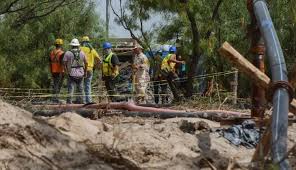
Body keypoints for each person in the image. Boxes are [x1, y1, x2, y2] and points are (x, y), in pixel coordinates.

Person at [63, 38, 88, 104]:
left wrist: (66, 72)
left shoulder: (67, 53)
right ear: (78, 45)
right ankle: (83, 103)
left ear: (71, 45)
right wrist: (85, 72)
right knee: (81, 89)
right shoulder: (82, 53)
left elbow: (64, 64)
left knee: (71, 89)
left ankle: (69, 103)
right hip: (81, 74)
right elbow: (86, 63)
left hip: (71, 74)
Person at [80, 36, 101, 104]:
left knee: (80, 85)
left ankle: (82, 100)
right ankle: (88, 100)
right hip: (90, 69)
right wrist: (96, 66)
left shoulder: (80, 49)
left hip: (81, 69)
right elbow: (99, 60)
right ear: (88, 42)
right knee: (88, 85)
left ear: (82, 42)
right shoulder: (92, 50)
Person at [49, 38, 65, 103]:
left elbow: (50, 62)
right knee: (58, 85)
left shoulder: (51, 52)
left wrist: (51, 70)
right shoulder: (61, 53)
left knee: (55, 84)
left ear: (55, 45)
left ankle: (54, 98)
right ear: (61, 45)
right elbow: (63, 63)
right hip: (59, 71)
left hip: (53, 70)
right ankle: (55, 98)